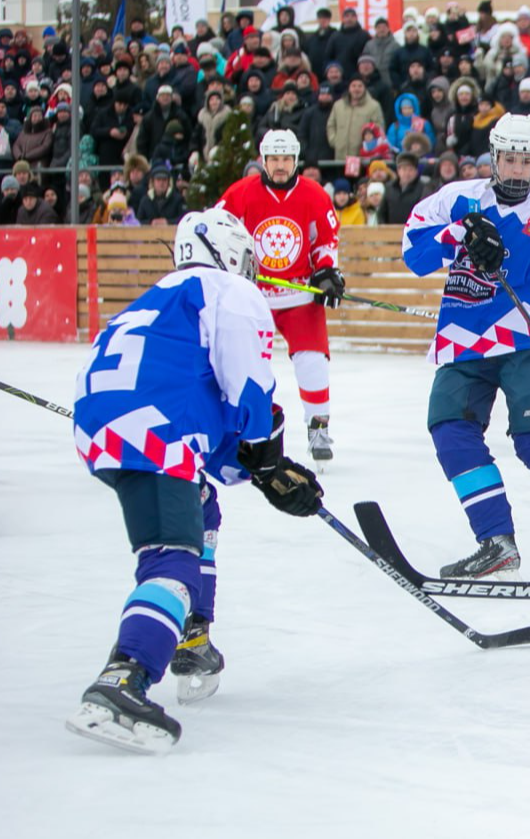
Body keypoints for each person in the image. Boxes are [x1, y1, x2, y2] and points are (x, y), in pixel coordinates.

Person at [65, 209, 324, 754]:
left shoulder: (164, 296)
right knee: (172, 557)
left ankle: (190, 632)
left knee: (202, 506)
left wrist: (260, 471)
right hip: (153, 428)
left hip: (113, 426)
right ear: (228, 251)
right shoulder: (228, 290)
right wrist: (268, 455)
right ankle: (124, 677)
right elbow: (250, 389)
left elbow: (212, 424)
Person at [401, 113, 530, 581]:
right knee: (450, 432)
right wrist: (458, 232)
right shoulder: (458, 199)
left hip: (523, 343)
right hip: (462, 344)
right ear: (494, 158)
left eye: (526, 162)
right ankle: (495, 542)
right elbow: (414, 256)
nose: (517, 170)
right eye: (509, 159)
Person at [215, 130, 345, 462]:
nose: (280, 165)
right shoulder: (240, 193)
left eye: (286, 158)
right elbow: (219, 232)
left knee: (312, 362)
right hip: (253, 296)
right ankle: (242, 430)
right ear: (263, 161)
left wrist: (327, 272)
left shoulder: (314, 194)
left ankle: (319, 429)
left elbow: (325, 241)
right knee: (246, 366)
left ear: (296, 160)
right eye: (274, 159)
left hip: (299, 295)